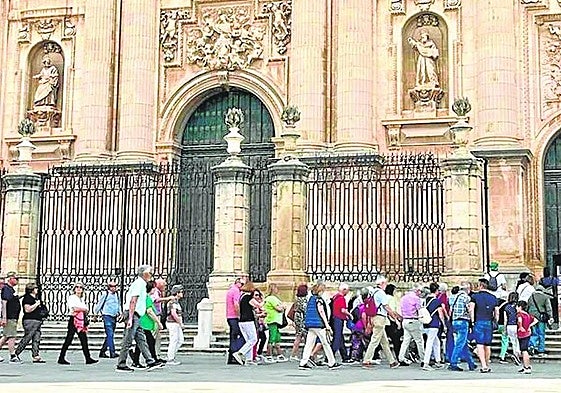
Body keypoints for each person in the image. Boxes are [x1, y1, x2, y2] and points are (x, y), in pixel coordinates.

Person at [115, 265, 163, 373]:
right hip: (133, 314)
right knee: (128, 339)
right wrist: (131, 318)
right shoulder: (139, 284)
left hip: (137, 315)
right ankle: (121, 364)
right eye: (150, 273)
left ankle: (150, 361)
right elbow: (133, 300)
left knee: (141, 339)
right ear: (145, 274)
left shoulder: (142, 284)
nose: (151, 275)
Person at [298, 282, 341, 370]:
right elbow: (321, 311)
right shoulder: (319, 299)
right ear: (320, 290)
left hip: (310, 324)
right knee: (326, 343)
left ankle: (303, 362)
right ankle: (331, 362)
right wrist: (327, 324)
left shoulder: (310, 299)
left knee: (309, 344)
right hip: (318, 324)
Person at [362, 277, 401, 369]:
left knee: (384, 341)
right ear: (382, 283)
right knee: (375, 340)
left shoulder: (372, 292)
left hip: (373, 317)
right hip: (380, 317)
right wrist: (393, 316)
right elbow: (386, 306)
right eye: (385, 283)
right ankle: (366, 360)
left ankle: (392, 361)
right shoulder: (381, 293)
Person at [57, 282, 98, 365]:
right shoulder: (72, 297)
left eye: (80, 287)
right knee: (69, 339)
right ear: (74, 289)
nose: (79, 289)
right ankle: (61, 357)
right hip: (74, 320)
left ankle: (88, 358)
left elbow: (84, 309)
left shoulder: (81, 299)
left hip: (81, 320)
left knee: (83, 339)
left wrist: (83, 310)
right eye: (77, 287)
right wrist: (84, 309)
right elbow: (74, 308)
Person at [130, 280, 163, 368]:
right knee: (150, 342)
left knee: (141, 343)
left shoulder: (145, 297)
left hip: (144, 323)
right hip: (145, 323)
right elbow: (149, 311)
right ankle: (153, 359)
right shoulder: (147, 298)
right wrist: (158, 322)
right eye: (154, 288)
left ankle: (136, 360)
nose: (155, 290)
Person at [469, 278, 498, 373]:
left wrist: (472, 321)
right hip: (489, 321)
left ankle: (483, 365)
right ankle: (487, 363)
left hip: (479, 321)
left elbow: (471, 309)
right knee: (487, 345)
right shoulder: (493, 297)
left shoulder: (475, 296)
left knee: (480, 344)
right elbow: (496, 312)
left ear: (480, 285)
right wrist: (495, 321)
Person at [448, 282, 477, 372]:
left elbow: (450, 310)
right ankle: (453, 362)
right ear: (467, 290)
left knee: (463, 343)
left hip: (454, 321)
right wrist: (472, 321)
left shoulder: (453, 297)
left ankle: (471, 363)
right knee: (460, 343)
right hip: (463, 321)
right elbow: (469, 309)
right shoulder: (466, 298)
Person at [13, 283, 45, 363]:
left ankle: (35, 355)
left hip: (37, 320)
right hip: (30, 320)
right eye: (35, 288)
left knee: (36, 338)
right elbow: (27, 310)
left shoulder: (35, 298)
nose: (37, 289)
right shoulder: (27, 298)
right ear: (32, 289)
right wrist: (36, 304)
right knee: (27, 337)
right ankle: (16, 353)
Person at [397, 284, 425, 367]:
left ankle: (401, 358)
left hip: (405, 320)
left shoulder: (403, 298)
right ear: (417, 291)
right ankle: (423, 359)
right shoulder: (416, 298)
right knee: (419, 341)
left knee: (406, 341)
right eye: (420, 291)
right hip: (413, 320)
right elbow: (419, 310)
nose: (420, 293)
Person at [233, 281, 260, 365]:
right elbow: (258, 305)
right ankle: (240, 353)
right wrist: (264, 302)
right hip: (248, 321)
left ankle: (249, 359)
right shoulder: (248, 297)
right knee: (253, 339)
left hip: (241, 321)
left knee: (248, 340)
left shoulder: (242, 296)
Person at [421, 282, 446, 371]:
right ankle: (426, 362)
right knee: (430, 342)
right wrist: (444, 324)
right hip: (434, 323)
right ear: (436, 291)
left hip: (426, 323)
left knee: (436, 342)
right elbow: (440, 314)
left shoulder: (425, 300)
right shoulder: (436, 301)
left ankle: (438, 360)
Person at [95, 281, 121, 358]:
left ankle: (102, 351)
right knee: (110, 334)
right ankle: (112, 352)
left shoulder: (117, 295)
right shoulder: (105, 294)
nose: (114, 288)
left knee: (109, 335)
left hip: (114, 316)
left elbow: (118, 304)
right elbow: (100, 304)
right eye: (112, 286)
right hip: (107, 315)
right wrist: (95, 314)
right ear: (109, 287)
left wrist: (120, 313)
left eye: (115, 286)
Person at [0, 272, 21, 364]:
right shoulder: (7, 289)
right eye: (16, 278)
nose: (17, 280)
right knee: (11, 336)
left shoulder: (11, 289)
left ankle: (12, 355)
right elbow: (4, 303)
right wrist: (4, 317)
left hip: (12, 316)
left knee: (6, 336)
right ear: (10, 279)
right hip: (9, 316)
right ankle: (12, 355)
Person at [151, 278, 173, 361]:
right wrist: (167, 298)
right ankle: (153, 355)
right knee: (154, 335)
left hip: (157, 314)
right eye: (164, 285)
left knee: (158, 336)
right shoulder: (155, 291)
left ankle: (157, 354)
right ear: (159, 285)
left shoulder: (159, 292)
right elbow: (156, 300)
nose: (165, 286)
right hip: (154, 315)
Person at [528, 284, 553, 356]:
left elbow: (528, 307)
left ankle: (531, 345)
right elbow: (548, 308)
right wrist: (550, 317)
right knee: (541, 333)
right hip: (541, 317)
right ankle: (541, 350)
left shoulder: (531, 297)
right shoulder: (545, 297)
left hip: (532, 317)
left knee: (534, 333)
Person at [264, 283, 287, 362]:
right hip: (273, 319)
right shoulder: (272, 298)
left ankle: (279, 354)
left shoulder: (270, 298)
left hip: (275, 320)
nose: (277, 290)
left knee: (277, 338)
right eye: (276, 288)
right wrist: (283, 306)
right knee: (272, 338)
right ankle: (268, 355)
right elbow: (279, 308)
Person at [330, 283, 352, 363]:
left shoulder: (335, 297)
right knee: (337, 338)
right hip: (338, 319)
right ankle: (330, 356)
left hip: (335, 318)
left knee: (340, 338)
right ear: (344, 290)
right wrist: (349, 315)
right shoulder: (342, 298)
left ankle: (345, 356)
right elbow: (343, 310)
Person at [498, 292, 521, 365]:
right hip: (516, 325)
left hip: (508, 325)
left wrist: (505, 327)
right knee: (516, 342)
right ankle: (516, 355)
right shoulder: (518, 306)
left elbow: (505, 319)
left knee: (505, 340)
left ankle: (502, 355)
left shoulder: (506, 307)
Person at [225, 277, 244, 365]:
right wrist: (240, 315)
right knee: (242, 336)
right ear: (238, 283)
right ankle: (235, 352)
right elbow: (236, 304)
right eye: (242, 284)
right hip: (234, 317)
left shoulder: (230, 290)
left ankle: (231, 358)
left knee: (233, 337)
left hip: (229, 316)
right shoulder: (236, 291)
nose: (242, 286)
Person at [166, 284, 185, 365]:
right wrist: (180, 323)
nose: (182, 293)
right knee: (174, 340)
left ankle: (171, 355)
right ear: (177, 293)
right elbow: (173, 313)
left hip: (175, 323)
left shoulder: (176, 301)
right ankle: (170, 358)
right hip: (173, 323)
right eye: (181, 292)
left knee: (180, 340)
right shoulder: (173, 302)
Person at [517, 300, 538, 374]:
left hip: (522, 333)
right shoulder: (528, 315)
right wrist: (529, 325)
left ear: (520, 307)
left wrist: (520, 326)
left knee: (524, 350)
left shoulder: (520, 314)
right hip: (527, 333)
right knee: (524, 350)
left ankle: (527, 367)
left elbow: (519, 320)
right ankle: (525, 366)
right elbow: (536, 320)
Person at [290, 284, 308, 361]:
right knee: (306, 338)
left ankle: (294, 354)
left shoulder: (296, 299)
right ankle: (307, 354)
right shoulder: (303, 300)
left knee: (298, 337)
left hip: (297, 318)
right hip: (302, 319)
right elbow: (305, 310)